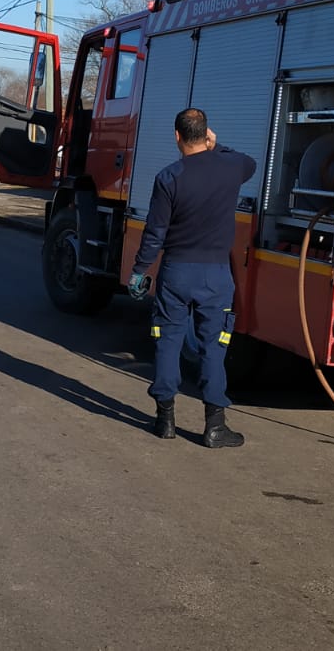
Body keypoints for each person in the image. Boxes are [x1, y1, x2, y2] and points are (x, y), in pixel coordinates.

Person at [128, 108, 256, 448]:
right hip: (216, 274)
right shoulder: (230, 168)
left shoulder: (169, 177)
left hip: (176, 271)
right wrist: (219, 146)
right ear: (206, 134)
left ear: (177, 136)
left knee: (168, 341)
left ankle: (165, 419)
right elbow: (250, 162)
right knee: (214, 347)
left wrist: (140, 271)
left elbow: (155, 233)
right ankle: (215, 426)